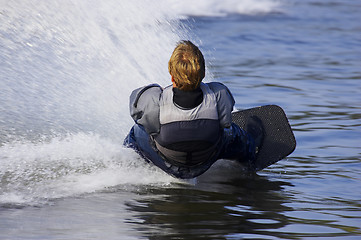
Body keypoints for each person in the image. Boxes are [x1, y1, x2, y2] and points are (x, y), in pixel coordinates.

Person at [124, 40, 262, 179]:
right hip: (205, 160)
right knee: (232, 131)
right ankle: (250, 155)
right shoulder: (218, 93)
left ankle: (128, 162)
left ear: (172, 76)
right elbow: (225, 123)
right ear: (203, 74)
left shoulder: (153, 99)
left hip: (166, 161)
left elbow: (136, 112)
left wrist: (157, 91)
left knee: (137, 130)